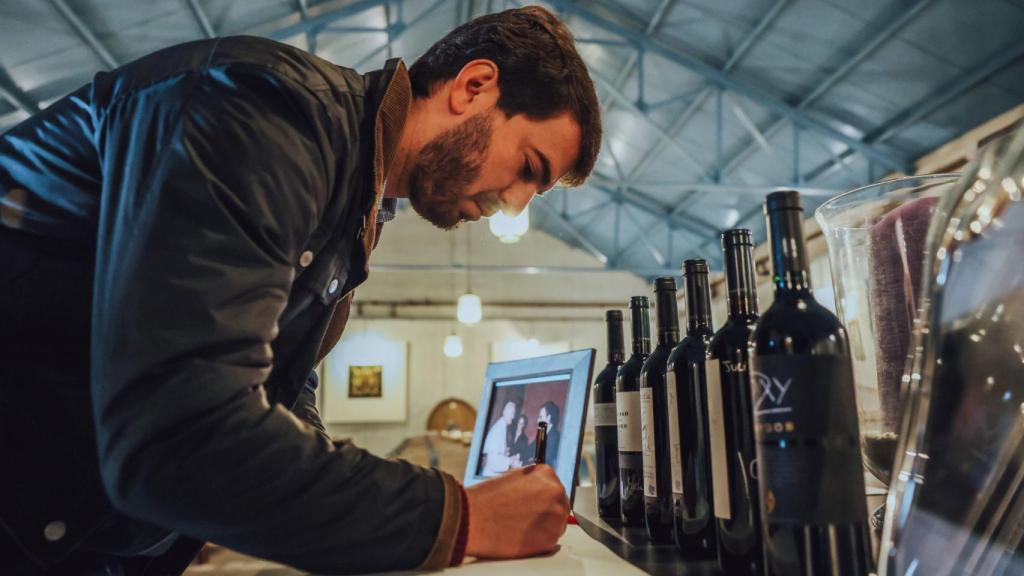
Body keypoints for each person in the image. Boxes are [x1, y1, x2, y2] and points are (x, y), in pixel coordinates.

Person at [0, 5, 600, 575]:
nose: (515, 205)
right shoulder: (265, 113)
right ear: (473, 86)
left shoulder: (354, 198)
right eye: (529, 167)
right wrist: (461, 516)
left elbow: (281, 390)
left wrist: (356, 496)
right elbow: (179, 436)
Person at [481, 401, 517, 475]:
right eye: (512, 413)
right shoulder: (498, 430)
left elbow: (497, 451)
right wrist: (510, 461)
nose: (513, 417)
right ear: (505, 412)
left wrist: (505, 452)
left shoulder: (502, 426)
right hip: (490, 475)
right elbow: (493, 462)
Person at [537, 401, 563, 470]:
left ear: (548, 417)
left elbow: (545, 460)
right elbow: (531, 449)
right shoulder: (543, 432)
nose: (537, 420)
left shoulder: (554, 437)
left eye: (540, 417)